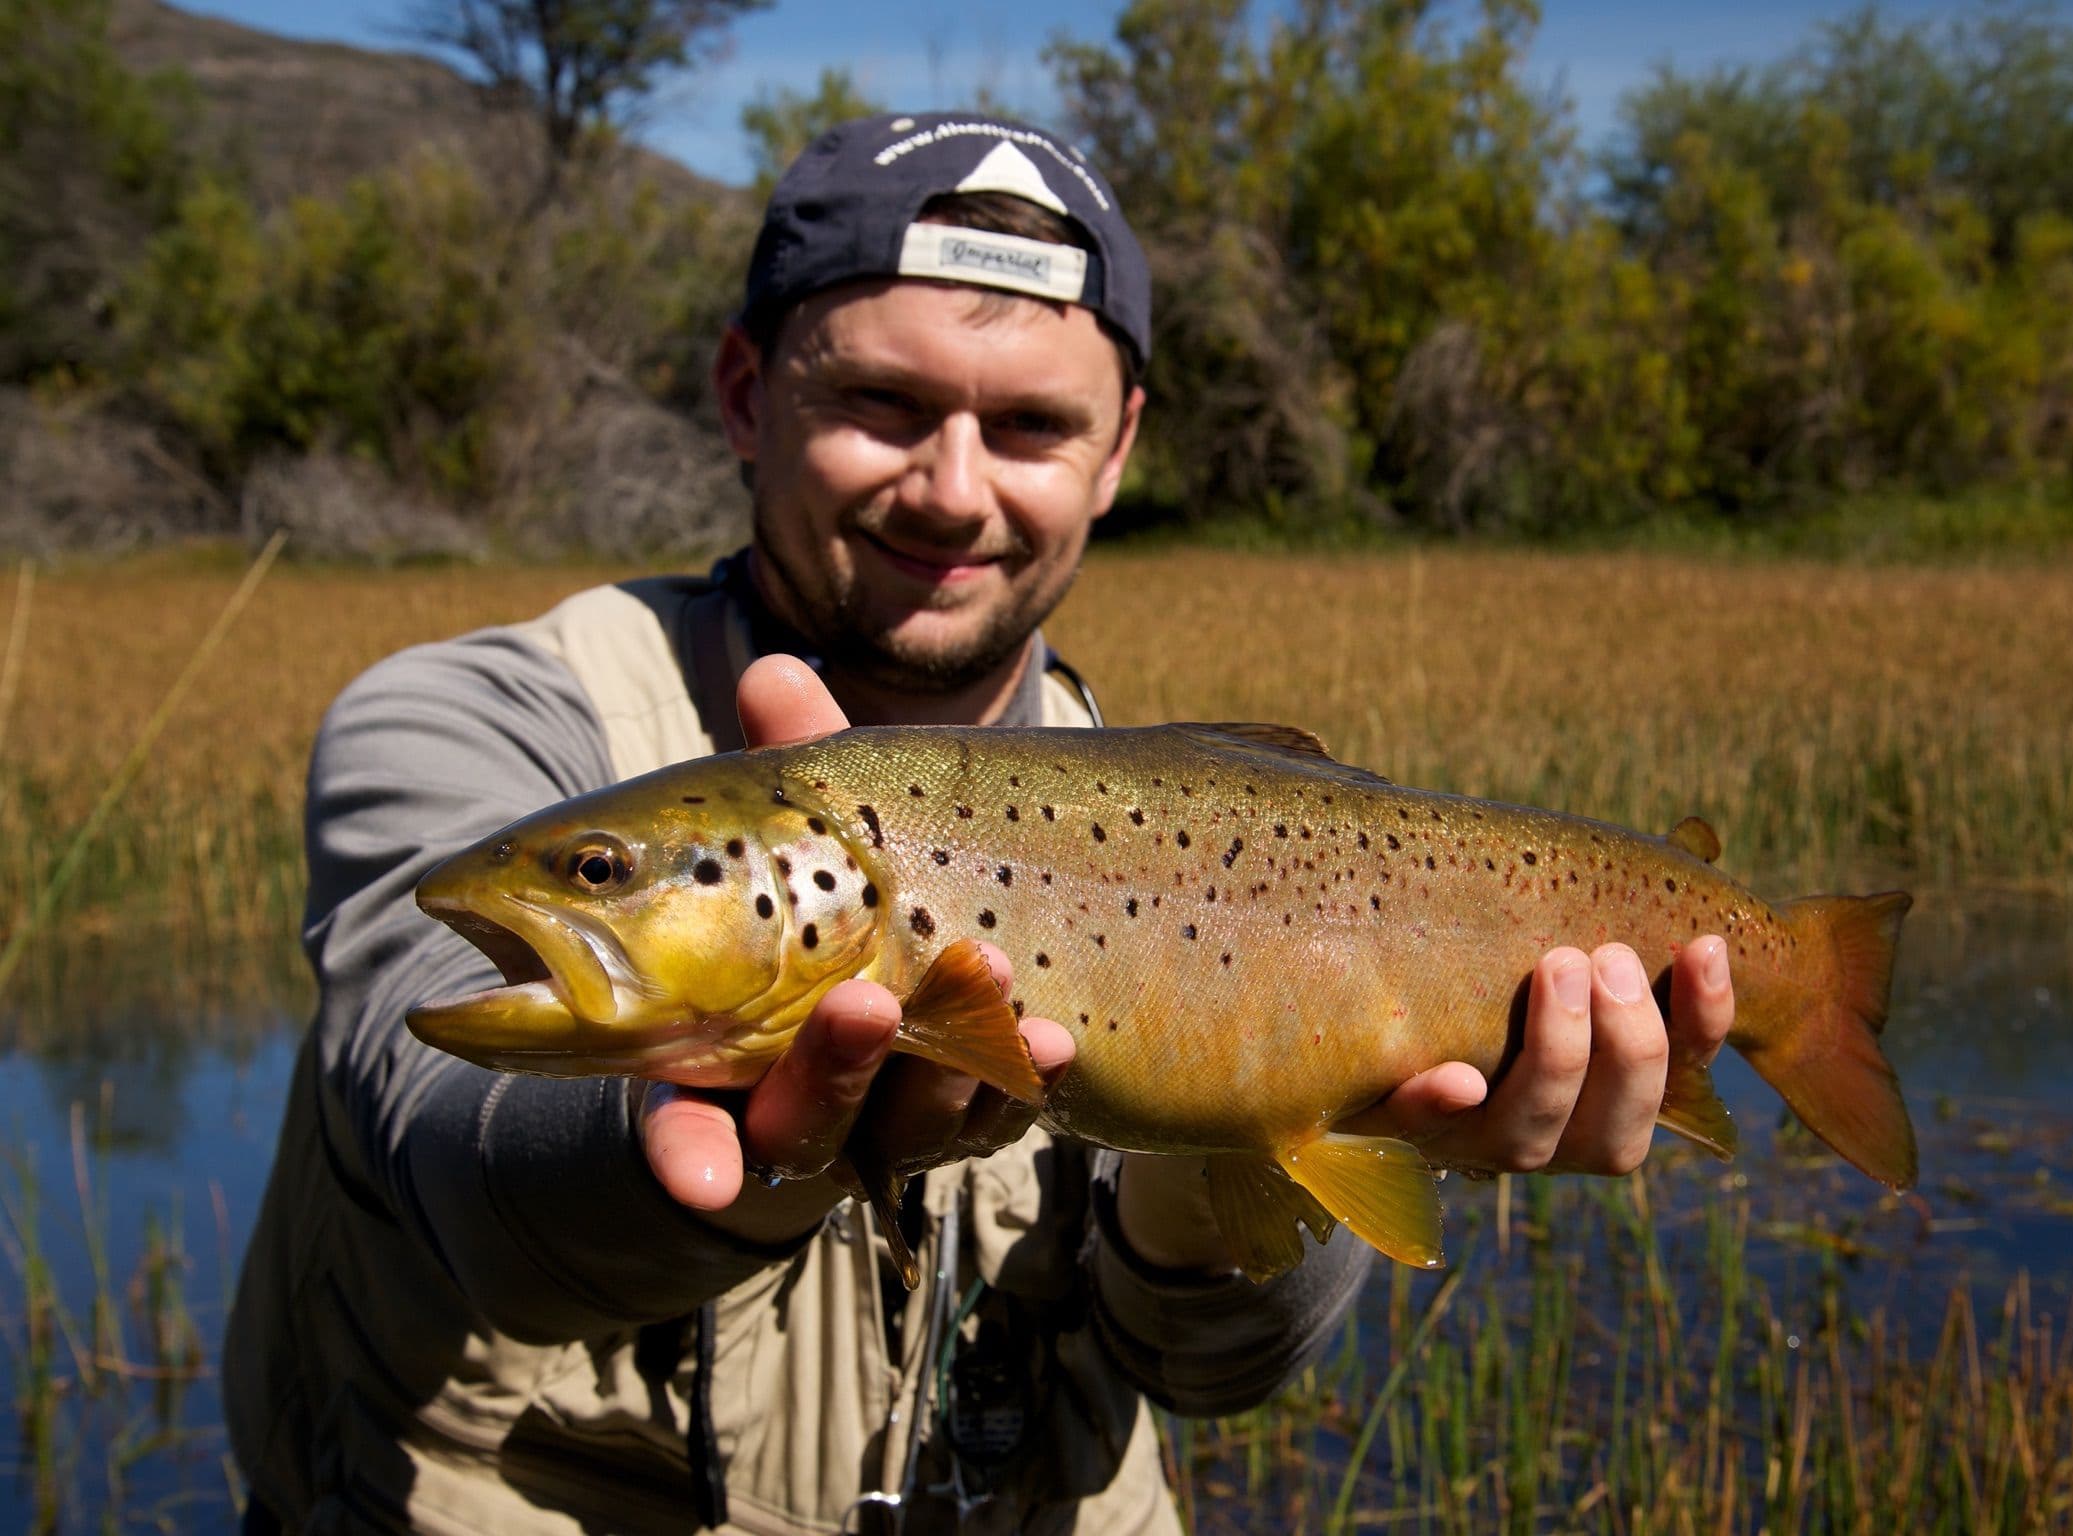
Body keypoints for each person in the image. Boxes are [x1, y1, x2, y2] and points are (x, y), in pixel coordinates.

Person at [223, 113, 1737, 1534]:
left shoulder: (1177, 817)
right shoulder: (476, 725)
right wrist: (724, 1145)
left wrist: (1274, 1124)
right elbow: (445, 1151)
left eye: (1027, 425)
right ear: (748, 395)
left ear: (1121, 446)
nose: (952, 492)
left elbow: (1209, 1370)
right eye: (882, 403)